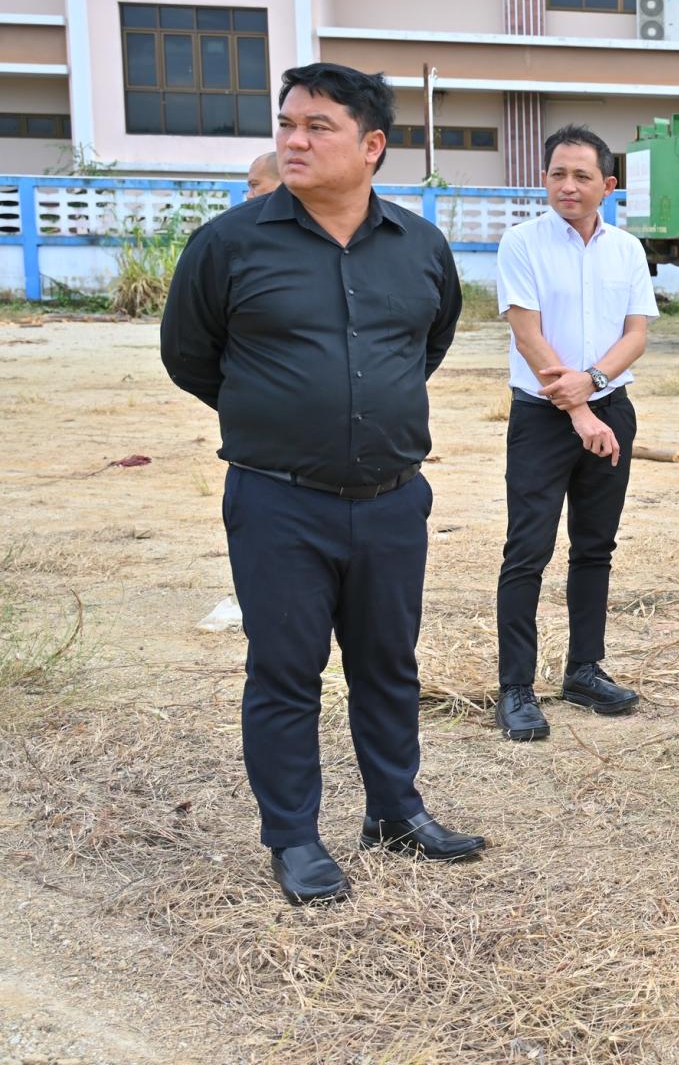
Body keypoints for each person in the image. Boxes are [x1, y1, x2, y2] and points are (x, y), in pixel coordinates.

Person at [159, 62, 483, 905]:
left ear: (372, 146)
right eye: (287, 124)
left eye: (318, 127)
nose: (295, 141)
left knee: (388, 664)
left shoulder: (420, 246)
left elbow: (428, 343)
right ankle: (294, 838)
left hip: (392, 498)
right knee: (285, 671)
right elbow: (190, 357)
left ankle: (395, 812)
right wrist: (282, 414)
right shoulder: (229, 244)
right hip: (278, 500)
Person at [493, 125, 659, 741]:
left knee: (595, 548)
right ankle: (516, 687)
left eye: (582, 175)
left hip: (611, 408)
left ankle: (584, 670)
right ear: (545, 179)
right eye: (558, 173)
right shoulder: (522, 243)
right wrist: (577, 409)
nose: (568, 185)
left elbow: (636, 334)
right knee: (527, 551)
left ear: (607, 185)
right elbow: (527, 333)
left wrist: (593, 386)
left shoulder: (627, 250)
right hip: (542, 417)